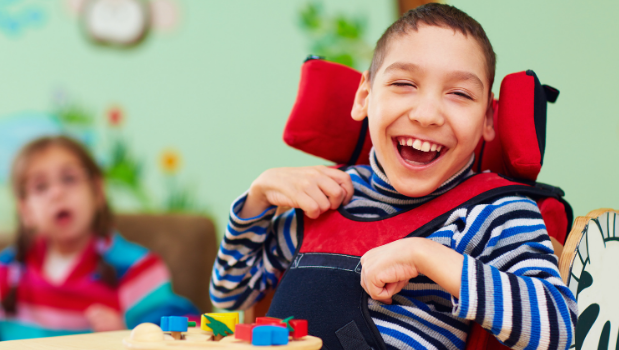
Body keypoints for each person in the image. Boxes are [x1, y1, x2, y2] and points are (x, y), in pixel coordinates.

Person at [210, 4, 576, 349]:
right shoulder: (326, 196)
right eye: (404, 84)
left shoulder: (495, 211)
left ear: (487, 121)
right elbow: (230, 296)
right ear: (365, 96)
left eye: (460, 93)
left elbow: (559, 328)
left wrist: (426, 256)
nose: (427, 114)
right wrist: (256, 200)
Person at [0, 136, 198, 340]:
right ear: (26, 211)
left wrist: (125, 334)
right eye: (41, 187)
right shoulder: (6, 272)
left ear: (98, 191)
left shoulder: (136, 269)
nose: (57, 193)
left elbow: (186, 331)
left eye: (69, 178)